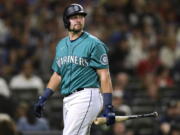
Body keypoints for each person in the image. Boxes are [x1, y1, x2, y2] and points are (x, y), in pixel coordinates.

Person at [33, 3, 115, 135]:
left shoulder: (94, 43)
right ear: (66, 20)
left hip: (86, 96)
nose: (79, 20)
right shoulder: (61, 45)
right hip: (68, 100)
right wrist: (43, 98)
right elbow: (58, 74)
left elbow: (105, 76)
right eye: (74, 17)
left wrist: (108, 106)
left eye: (81, 17)